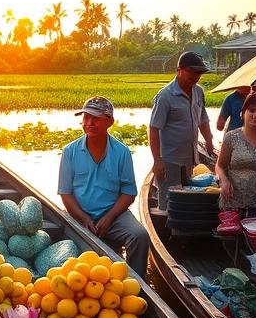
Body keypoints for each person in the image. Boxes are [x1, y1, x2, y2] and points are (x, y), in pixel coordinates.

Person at [58, 97, 150, 273]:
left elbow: (129, 193)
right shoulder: (70, 151)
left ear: (110, 122)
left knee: (140, 236)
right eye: (86, 118)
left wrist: (109, 217)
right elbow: (65, 193)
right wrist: (84, 218)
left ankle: (138, 286)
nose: (89, 123)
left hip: (114, 215)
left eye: (96, 119)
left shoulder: (121, 152)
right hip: (79, 215)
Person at [149, 51, 216, 211]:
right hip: (169, 159)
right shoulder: (165, 96)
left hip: (189, 158)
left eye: (199, 73)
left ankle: (182, 230)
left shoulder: (198, 91)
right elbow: (153, 128)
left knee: (185, 199)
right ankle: (166, 231)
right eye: (192, 72)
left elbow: (203, 119)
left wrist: (209, 141)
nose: (196, 76)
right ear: (180, 69)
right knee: (169, 202)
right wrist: (157, 160)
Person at [215, 92, 256, 215]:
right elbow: (220, 166)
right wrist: (223, 180)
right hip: (233, 204)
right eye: (251, 110)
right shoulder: (231, 137)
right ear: (243, 113)